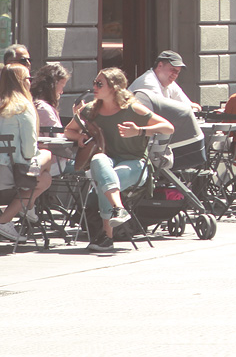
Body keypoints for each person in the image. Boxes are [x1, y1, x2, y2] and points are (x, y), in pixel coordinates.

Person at [64, 68, 174, 252]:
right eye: (94, 83)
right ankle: (118, 209)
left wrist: (139, 130)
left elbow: (168, 127)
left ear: (114, 87)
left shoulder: (132, 108)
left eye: (100, 84)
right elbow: (69, 130)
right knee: (99, 160)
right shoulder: (91, 109)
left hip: (136, 164)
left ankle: (107, 236)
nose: (94, 87)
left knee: (106, 180)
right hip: (108, 162)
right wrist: (79, 137)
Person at [0, 65, 53, 243]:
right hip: (10, 175)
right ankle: (9, 217)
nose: (31, 83)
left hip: (5, 172)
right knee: (46, 159)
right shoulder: (23, 107)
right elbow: (30, 151)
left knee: (43, 177)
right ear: (22, 82)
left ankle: (27, 206)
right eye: (29, 79)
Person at [129, 50, 198, 111]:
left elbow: (188, 105)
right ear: (160, 66)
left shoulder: (169, 83)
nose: (175, 75)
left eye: (177, 72)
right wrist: (188, 107)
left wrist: (190, 107)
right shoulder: (148, 81)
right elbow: (163, 108)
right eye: (172, 70)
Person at [30, 63, 70, 129]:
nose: (62, 92)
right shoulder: (44, 109)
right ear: (54, 84)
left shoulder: (38, 105)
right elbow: (56, 136)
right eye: (62, 86)